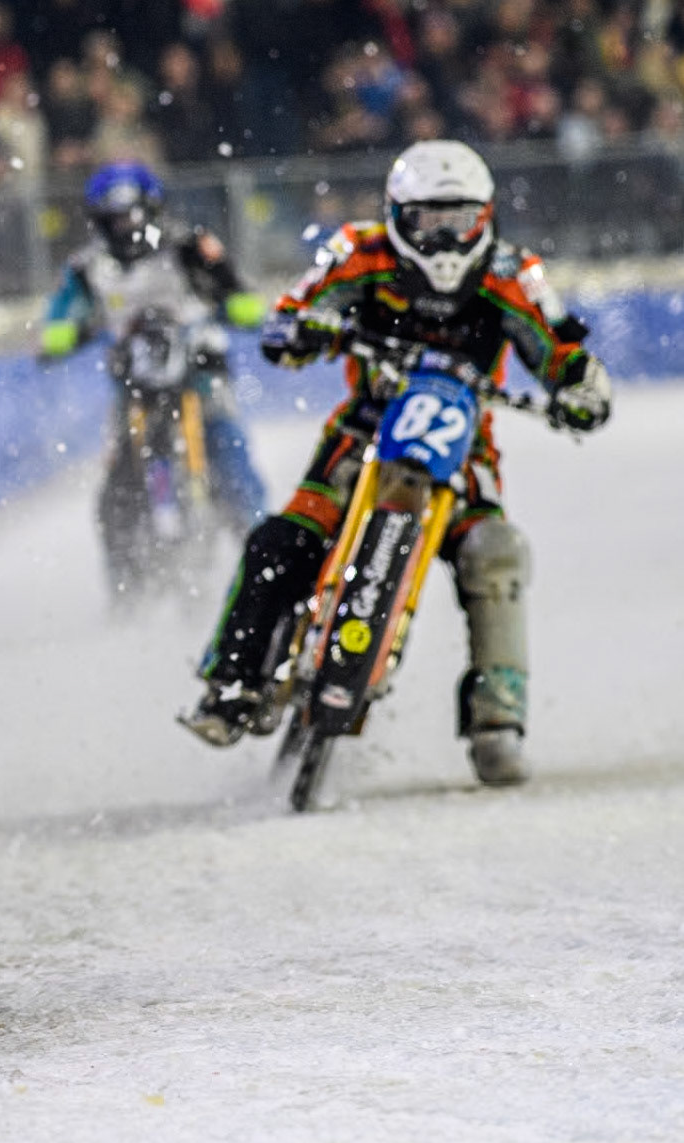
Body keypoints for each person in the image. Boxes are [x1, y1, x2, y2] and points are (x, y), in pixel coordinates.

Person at [180, 140, 611, 785]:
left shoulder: (513, 274)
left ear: (485, 217)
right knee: (282, 540)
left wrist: (582, 386)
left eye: (458, 221)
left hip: (464, 445)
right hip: (363, 430)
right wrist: (301, 331)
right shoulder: (357, 251)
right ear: (396, 216)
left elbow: (560, 346)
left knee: (494, 552)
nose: (443, 240)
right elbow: (293, 311)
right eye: (427, 222)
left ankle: (498, 719)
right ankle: (230, 684)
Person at [39, 161, 269, 594]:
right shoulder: (89, 266)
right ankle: (126, 587)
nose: (126, 227)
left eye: (133, 215)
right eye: (115, 218)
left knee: (233, 465)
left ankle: (266, 567)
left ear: (153, 209)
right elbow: (59, 316)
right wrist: (63, 334)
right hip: (135, 389)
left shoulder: (189, 246)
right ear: (99, 221)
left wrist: (238, 307)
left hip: (199, 376)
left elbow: (238, 291)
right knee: (116, 495)